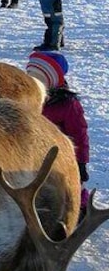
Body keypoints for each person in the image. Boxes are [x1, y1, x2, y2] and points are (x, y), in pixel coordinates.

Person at [25, 51, 90, 218]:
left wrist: (81, 163)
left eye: (37, 78)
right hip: (35, 154)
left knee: (69, 183)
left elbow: (79, 135)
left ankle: (80, 207)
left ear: (50, 80)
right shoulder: (28, 100)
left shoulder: (67, 105)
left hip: (61, 155)